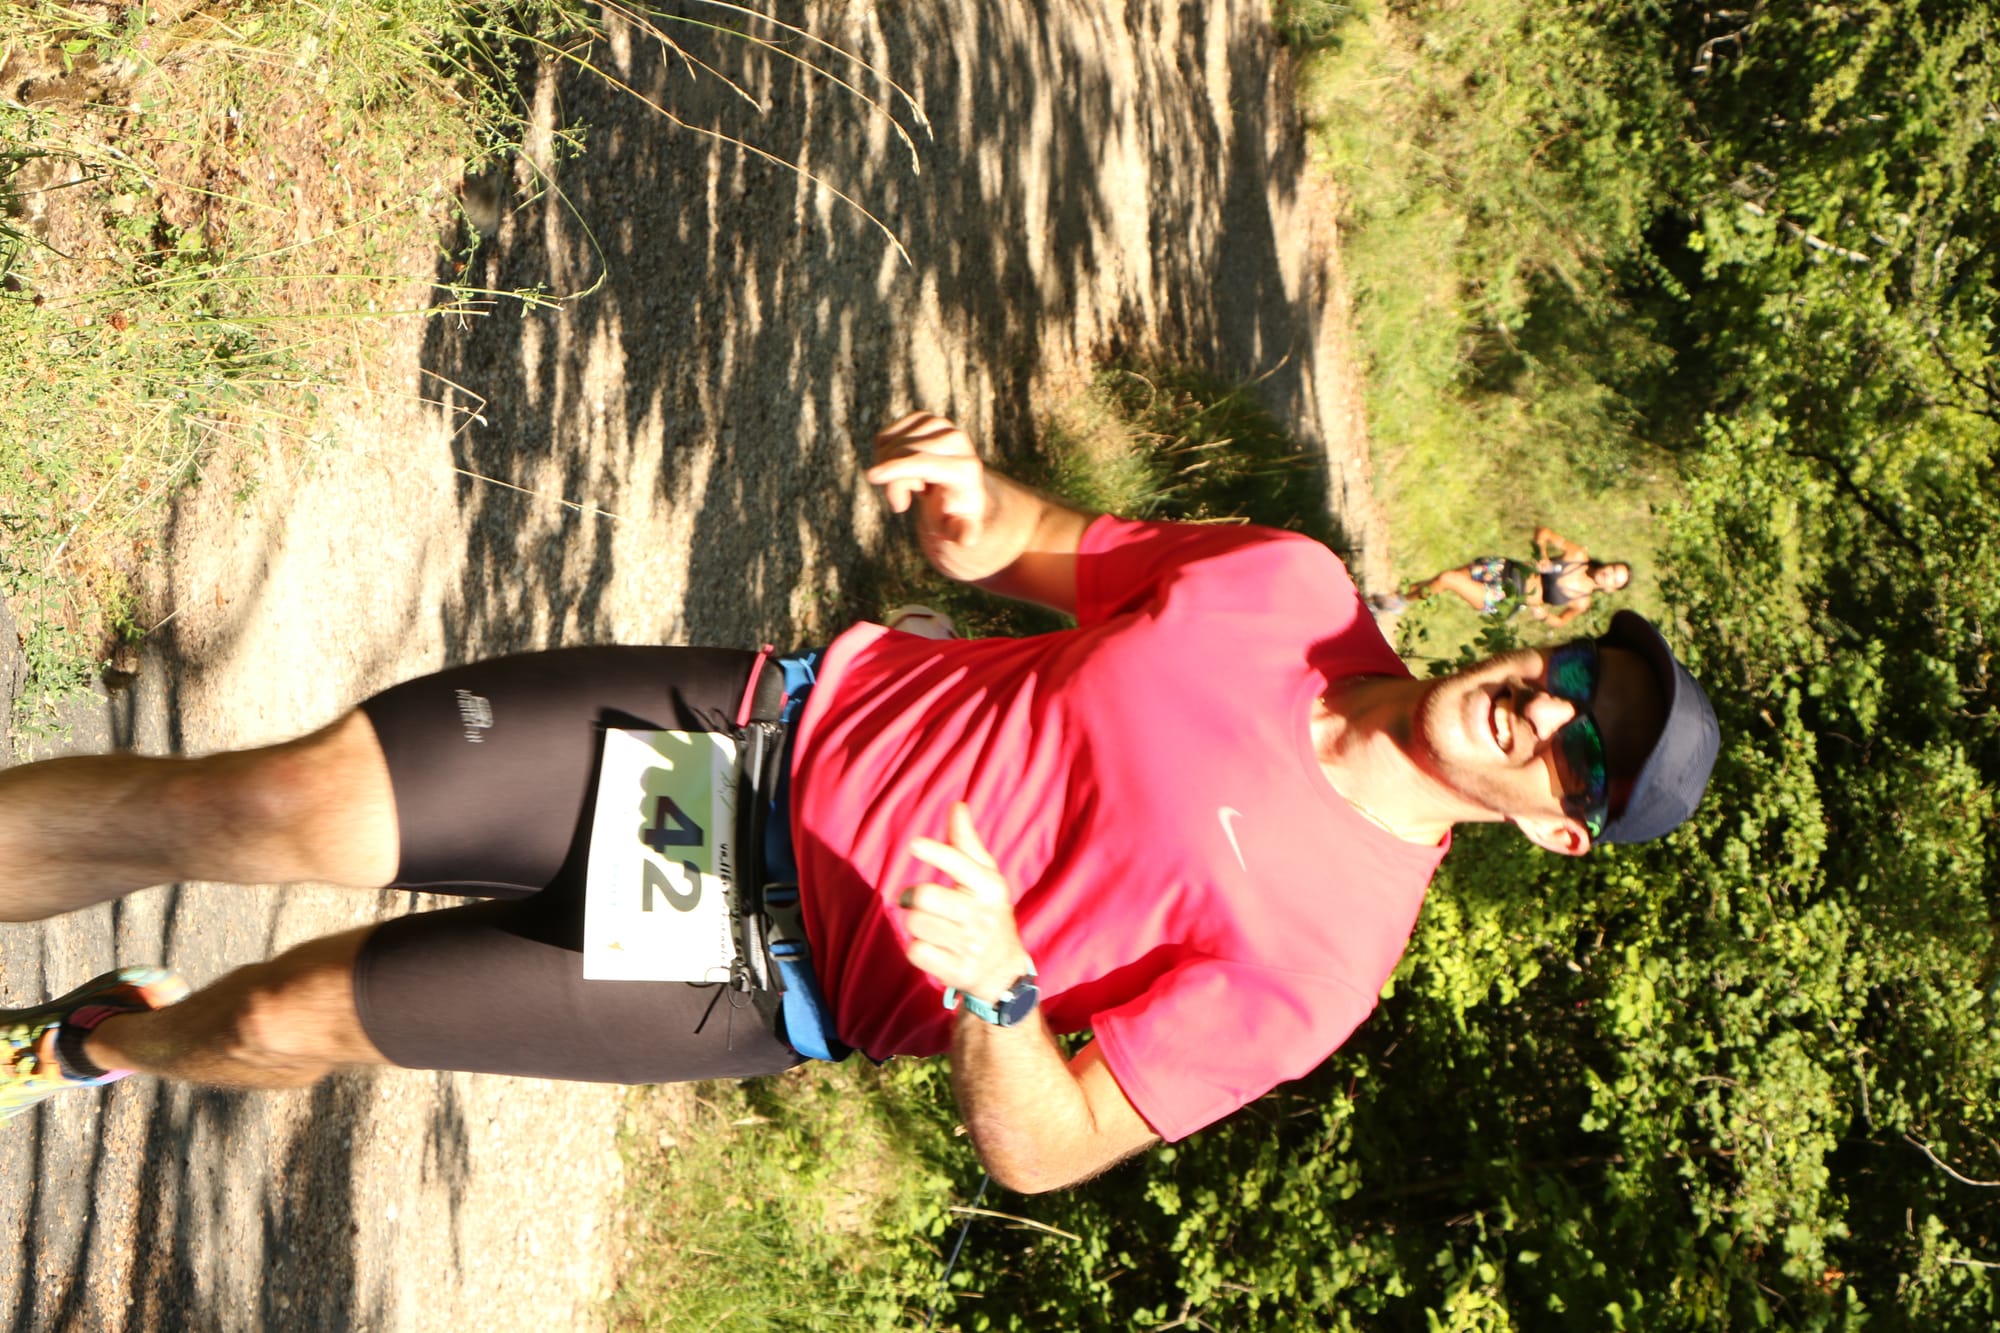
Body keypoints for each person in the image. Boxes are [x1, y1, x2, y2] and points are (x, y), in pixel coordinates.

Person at [0, 412, 1718, 1194]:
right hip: (731, 754)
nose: (1547, 705)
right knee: (275, 808)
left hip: (743, 969)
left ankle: (94, 1043)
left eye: (1582, 749)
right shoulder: (1288, 583)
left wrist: (997, 986)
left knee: (305, 1008)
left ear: (1558, 824)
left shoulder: (1323, 963)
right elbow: (1033, 551)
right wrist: (968, 503)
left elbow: (1045, 1149)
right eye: (1577, 672)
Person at [1373, 526, 1631, 627]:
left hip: (1508, 596)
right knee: (1438, 582)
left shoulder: (1582, 601)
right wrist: (1541, 552)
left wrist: (1545, 616)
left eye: (1614, 580)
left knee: (1448, 579)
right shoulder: (1577, 556)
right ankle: (1390, 601)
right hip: (1504, 568)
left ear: (1610, 590)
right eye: (1612, 569)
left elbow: (1561, 622)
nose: (1608, 575)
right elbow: (1543, 532)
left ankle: (1397, 602)